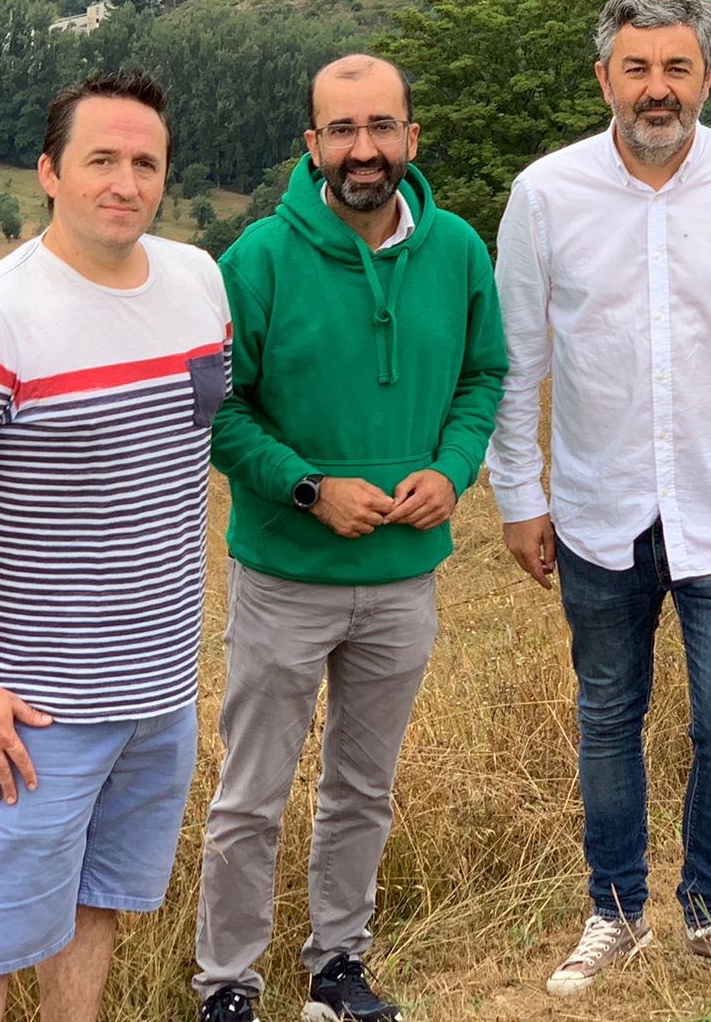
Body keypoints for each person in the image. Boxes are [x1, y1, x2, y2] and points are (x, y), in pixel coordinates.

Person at [487, 0, 711, 999]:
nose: (656, 88)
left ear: (707, 76)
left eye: (676, 67)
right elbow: (515, 361)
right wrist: (518, 493)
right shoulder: (544, 194)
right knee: (606, 718)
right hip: (597, 512)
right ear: (603, 79)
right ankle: (615, 912)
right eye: (636, 68)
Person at [0, 70, 231, 1022]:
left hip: (160, 690)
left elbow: (200, 433)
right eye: (100, 161)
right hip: (39, 711)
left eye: (145, 162)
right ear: (49, 172)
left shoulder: (199, 283)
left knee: (96, 912)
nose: (124, 182)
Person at [193, 55, 508, 1022]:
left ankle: (338, 966)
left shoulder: (456, 250)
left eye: (381, 127)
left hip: (404, 578)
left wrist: (451, 473)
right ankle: (228, 984)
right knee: (252, 796)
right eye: (342, 130)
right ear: (312, 145)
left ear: (411, 139)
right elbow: (219, 412)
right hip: (287, 575)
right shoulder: (258, 260)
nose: (362, 149)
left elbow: (482, 378)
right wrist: (308, 485)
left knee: (362, 789)